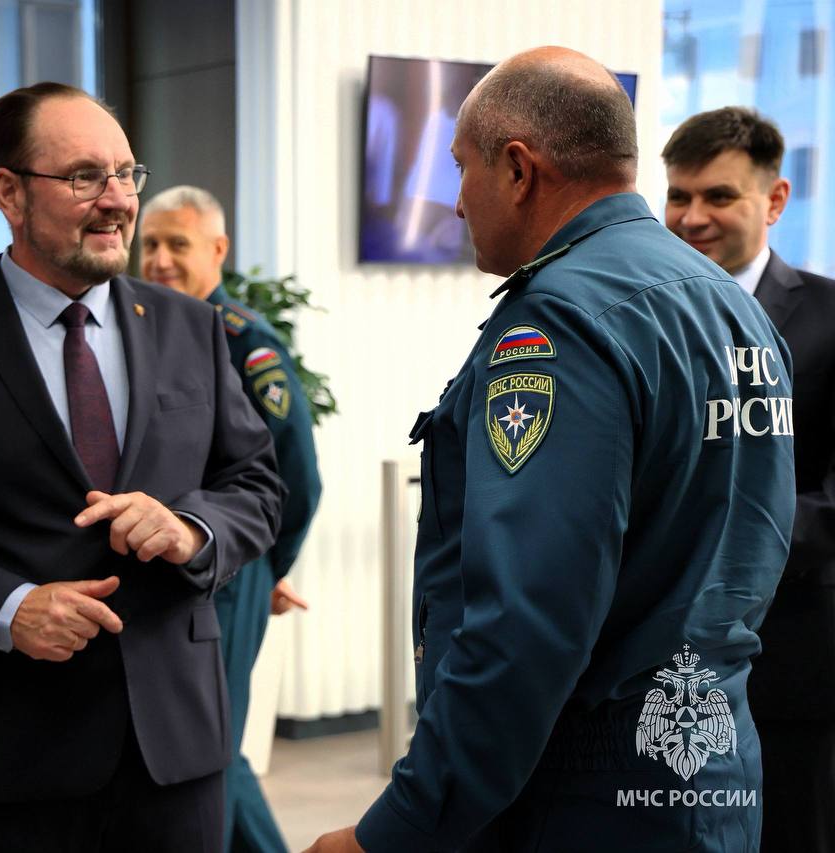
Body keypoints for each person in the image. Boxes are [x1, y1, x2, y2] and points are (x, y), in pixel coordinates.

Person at [306, 47, 795, 853]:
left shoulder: (560, 322)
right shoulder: (732, 307)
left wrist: (398, 828)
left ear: (517, 169)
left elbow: (527, 624)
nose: (456, 202)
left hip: (587, 788)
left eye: (460, 168)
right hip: (711, 758)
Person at [0, 83, 284, 853]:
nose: (117, 200)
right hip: (12, 756)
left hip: (176, 753)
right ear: (9, 192)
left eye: (125, 173)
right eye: (85, 176)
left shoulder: (190, 326)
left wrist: (191, 528)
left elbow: (255, 483)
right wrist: (6, 606)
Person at [663, 106, 835, 853]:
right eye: (678, 196)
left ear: (775, 199)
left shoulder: (830, 317)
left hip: (791, 657)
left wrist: (718, 539)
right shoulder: (643, 316)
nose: (692, 217)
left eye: (719, 196)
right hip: (663, 664)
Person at [140, 185, 323, 853]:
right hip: (174, 567)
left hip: (232, 569)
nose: (160, 259)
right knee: (211, 746)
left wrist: (269, 564)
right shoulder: (145, 328)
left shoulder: (246, 341)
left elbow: (296, 474)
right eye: (150, 244)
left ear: (218, 250)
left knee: (210, 748)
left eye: (177, 244)